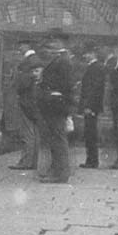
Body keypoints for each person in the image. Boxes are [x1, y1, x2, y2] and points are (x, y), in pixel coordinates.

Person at [36, 30, 74, 183]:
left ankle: (61, 174)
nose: (52, 43)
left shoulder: (63, 60)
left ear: (62, 42)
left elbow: (66, 84)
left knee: (58, 139)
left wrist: (52, 92)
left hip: (56, 104)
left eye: (55, 41)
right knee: (56, 138)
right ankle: (57, 170)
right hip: (54, 103)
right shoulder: (61, 58)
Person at [9, 48, 41, 170]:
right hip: (34, 103)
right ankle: (32, 162)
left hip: (27, 102)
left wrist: (17, 81)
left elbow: (23, 83)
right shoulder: (36, 61)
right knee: (35, 134)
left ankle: (26, 162)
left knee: (28, 134)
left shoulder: (29, 63)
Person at [77, 46, 105, 168]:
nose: (85, 56)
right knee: (89, 133)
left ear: (93, 54)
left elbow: (95, 89)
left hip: (91, 106)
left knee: (91, 133)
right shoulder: (94, 67)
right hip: (91, 105)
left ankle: (92, 160)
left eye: (87, 53)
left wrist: (89, 106)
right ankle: (91, 159)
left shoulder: (96, 68)